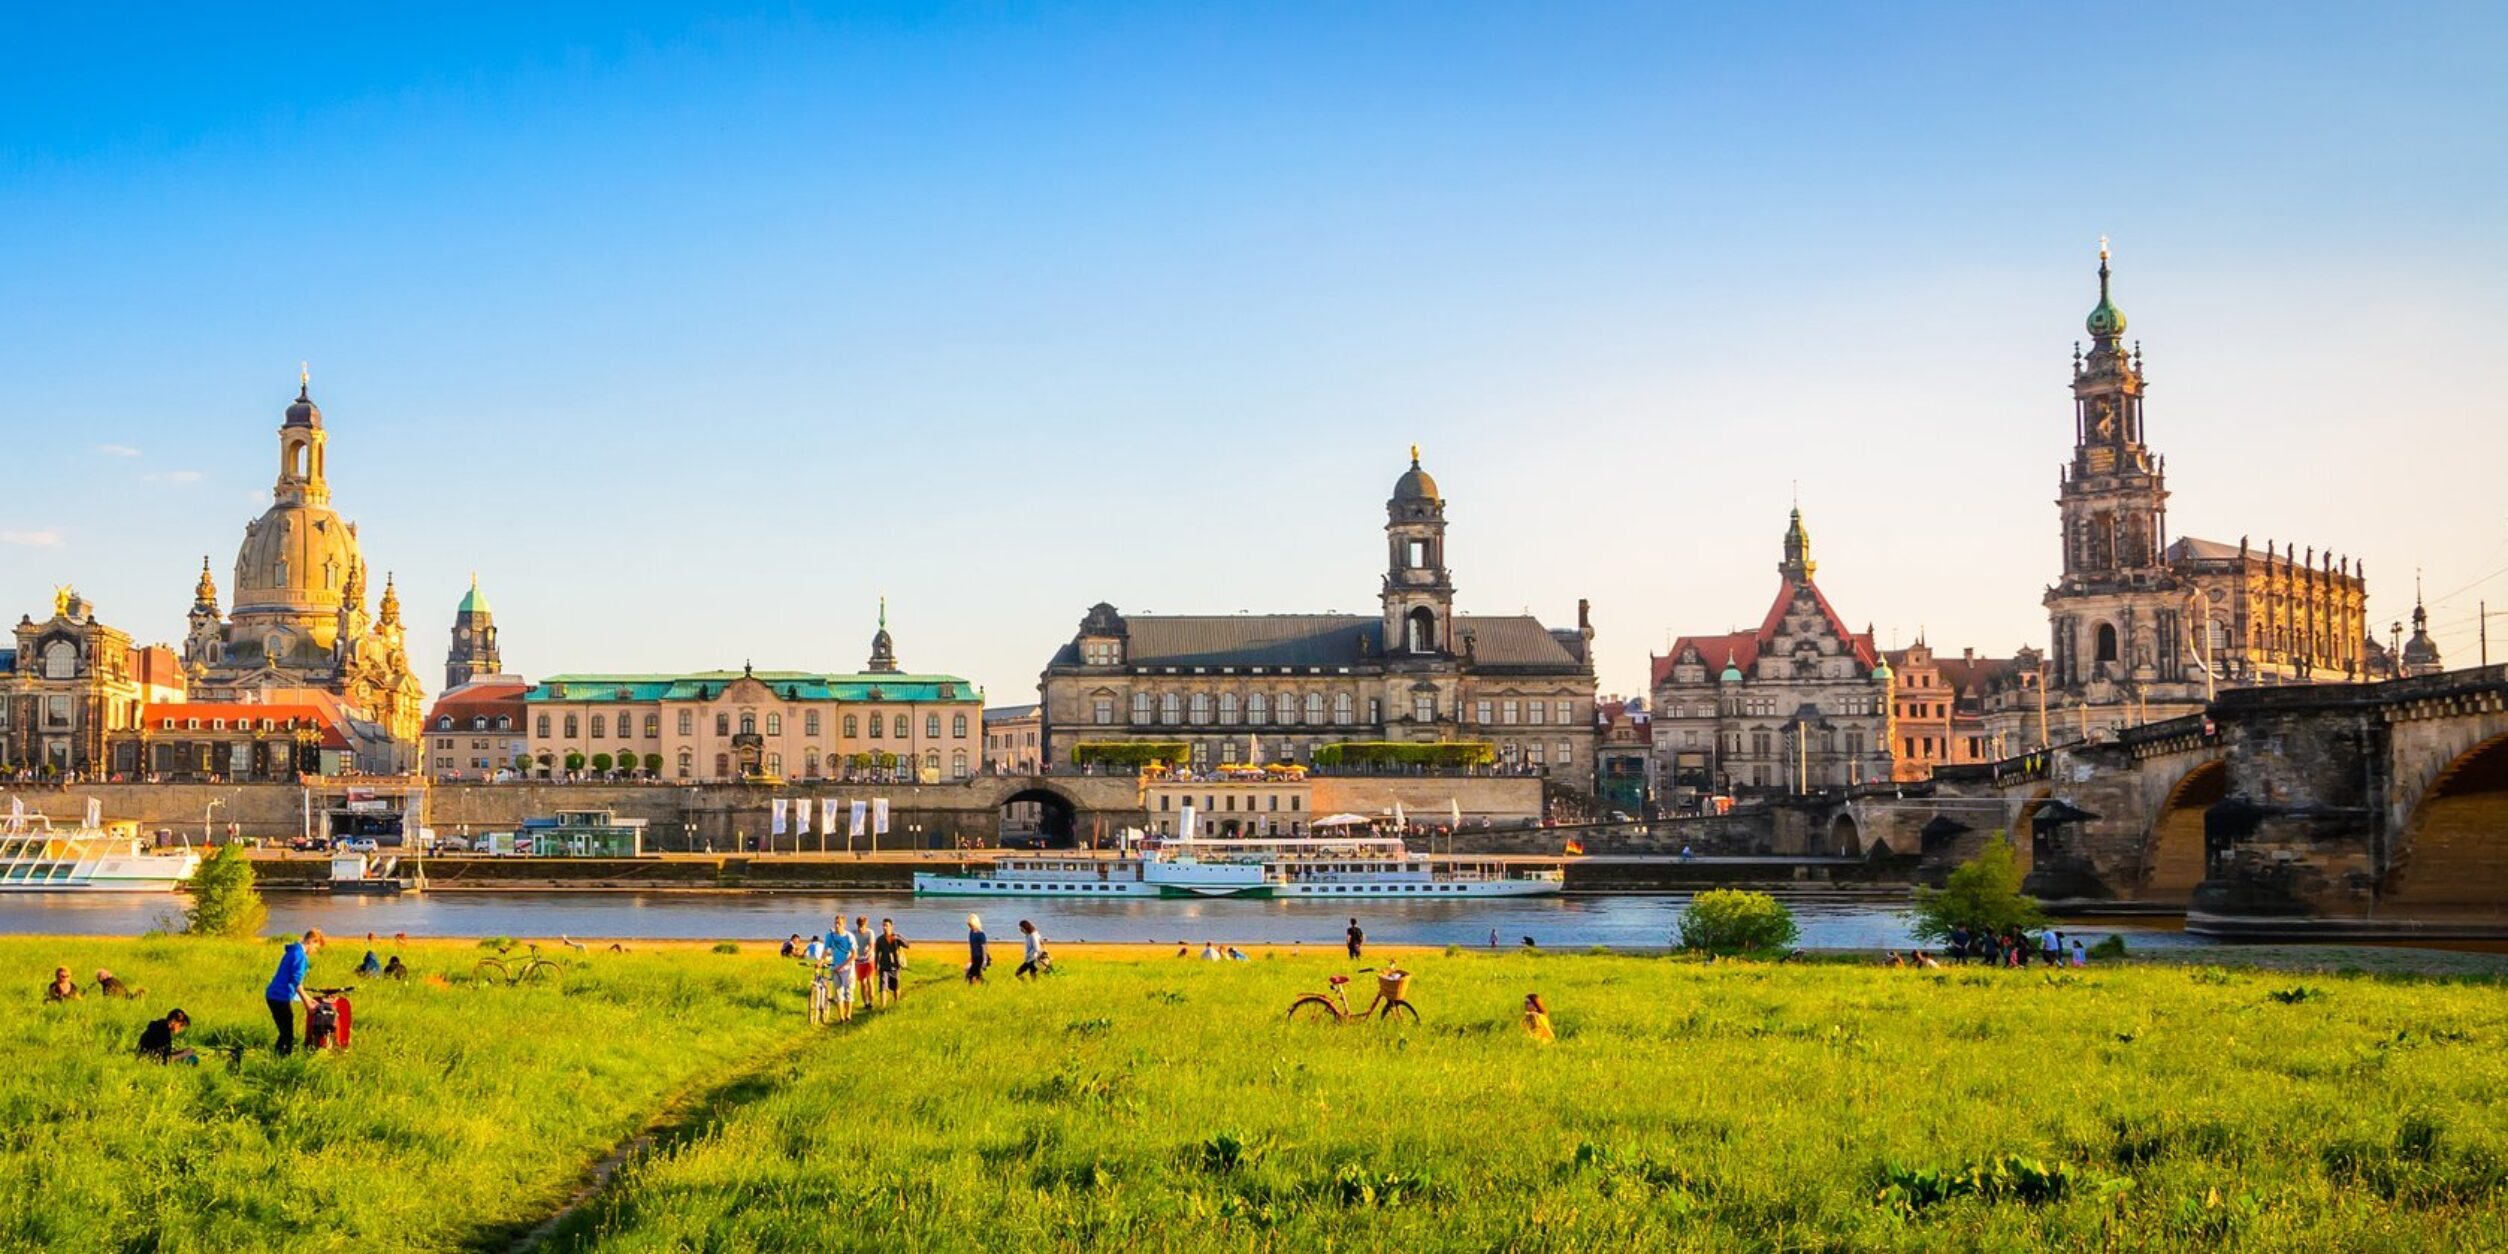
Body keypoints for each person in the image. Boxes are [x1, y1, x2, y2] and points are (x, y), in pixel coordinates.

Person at [266, 930, 319, 1056]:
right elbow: (296, 981)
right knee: (287, 1035)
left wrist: (308, 998)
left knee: (285, 1031)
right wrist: (307, 1003)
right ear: (311, 941)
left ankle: (277, 1057)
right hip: (279, 997)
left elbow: (291, 981)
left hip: (274, 995)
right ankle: (281, 1061)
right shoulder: (300, 955)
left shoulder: (293, 951)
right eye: (316, 947)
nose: (315, 951)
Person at [822, 917, 859, 1022]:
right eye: (836, 923)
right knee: (838, 993)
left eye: (839, 923)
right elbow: (825, 950)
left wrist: (842, 966)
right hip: (835, 968)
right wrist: (821, 961)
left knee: (849, 993)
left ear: (844, 925)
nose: (837, 925)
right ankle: (841, 1017)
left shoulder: (849, 937)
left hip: (848, 968)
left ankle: (848, 1015)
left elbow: (854, 955)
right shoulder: (830, 936)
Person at [873, 918, 909, 1007]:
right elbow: (877, 954)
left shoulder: (896, 937)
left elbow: (907, 945)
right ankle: (883, 1007)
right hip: (884, 966)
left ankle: (896, 1003)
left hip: (895, 966)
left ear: (891, 926)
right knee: (883, 987)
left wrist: (898, 938)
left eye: (887, 926)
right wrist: (875, 967)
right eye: (884, 926)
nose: (885, 927)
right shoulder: (880, 939)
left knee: (895, 986)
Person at [853, 916, 876, 1001]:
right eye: (859, 926)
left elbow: (872, 946)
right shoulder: (853, 934)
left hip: (869, 960)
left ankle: (871, 1002)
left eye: (862, 926)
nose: (860, 928)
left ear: (866, 925)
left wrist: (869, 951)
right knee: (863, 983)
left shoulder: (870, 933)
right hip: (858, 961)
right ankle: (866, 1003)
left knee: (870, 980)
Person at [964, 914, 989, 984]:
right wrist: (970, 959)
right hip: (974, 957)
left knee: (971, 975)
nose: (969, 926)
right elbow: (972, 947)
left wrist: (984, 960)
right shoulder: (971, 932)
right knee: (969, 972)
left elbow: (984, 948)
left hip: (979, 958)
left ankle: (980, 985)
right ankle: (982, 984)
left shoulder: (981, 934)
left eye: (971, 925)